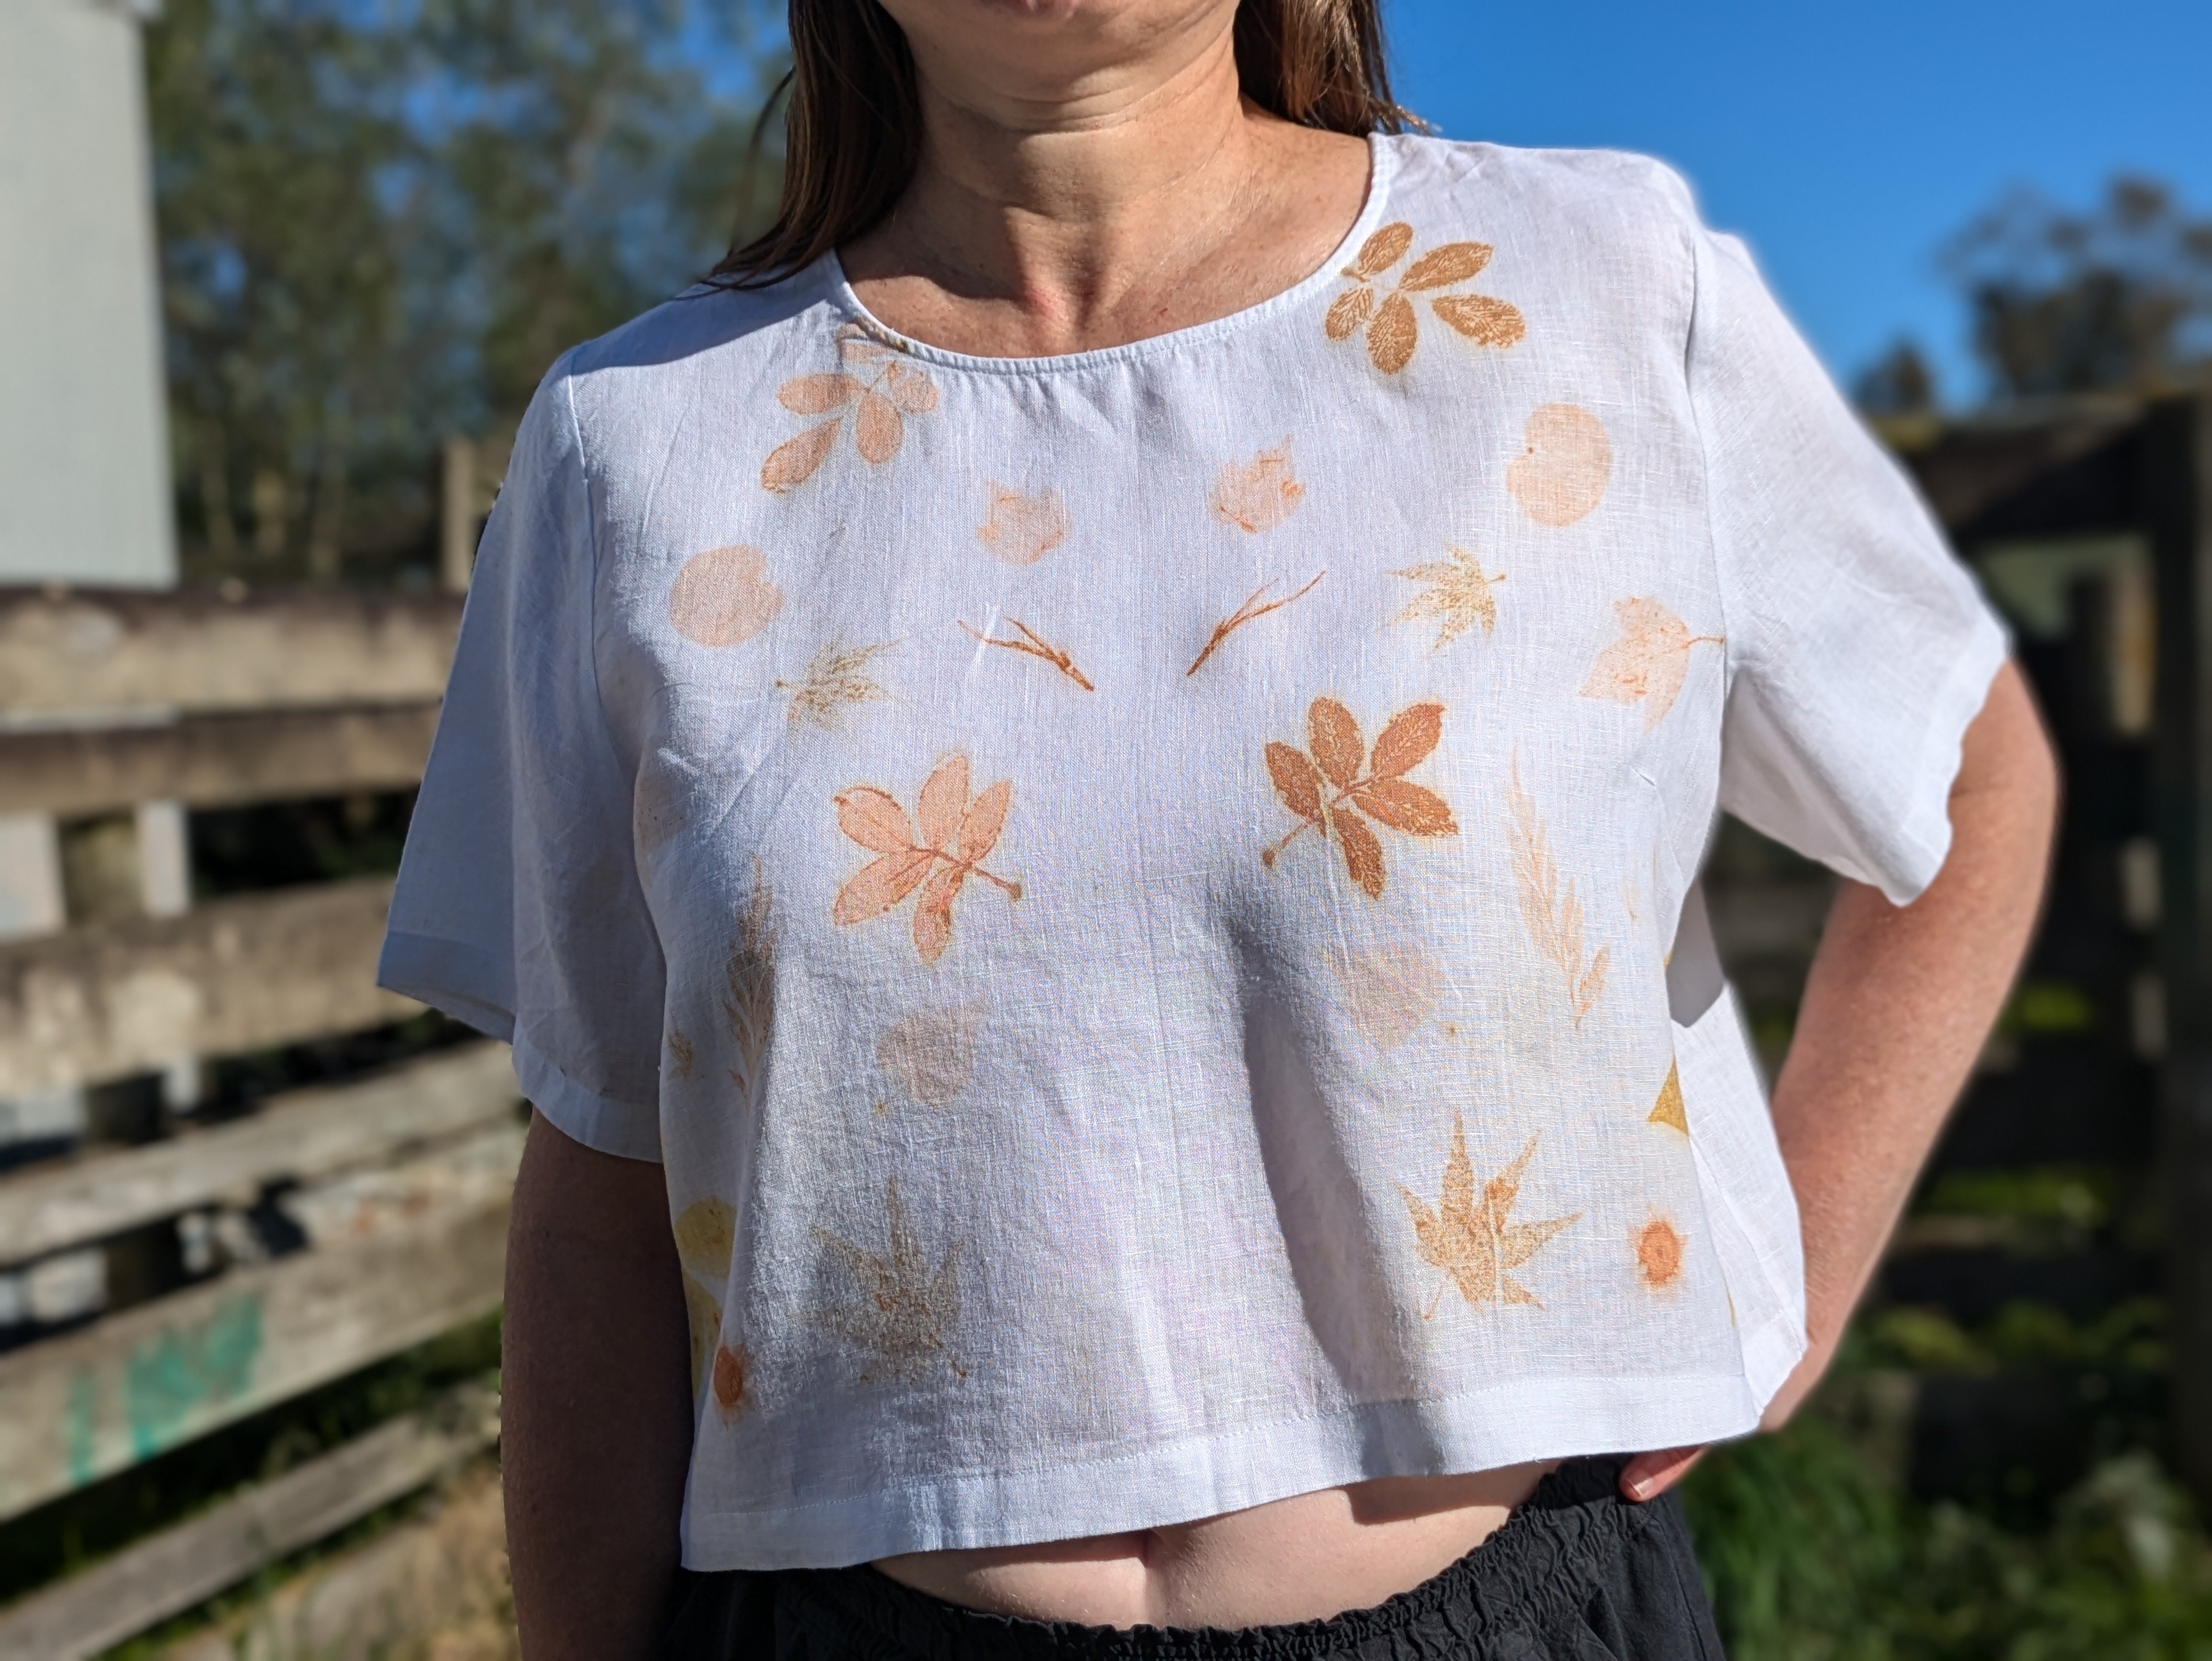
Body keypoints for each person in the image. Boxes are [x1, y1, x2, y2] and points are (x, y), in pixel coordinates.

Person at [378, 0, 2058, 1654]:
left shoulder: (1599, 290)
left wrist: (1803, 1282)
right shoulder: (641, 444)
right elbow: (601, 1168)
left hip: (1513, 1614)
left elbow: (1971, 776)